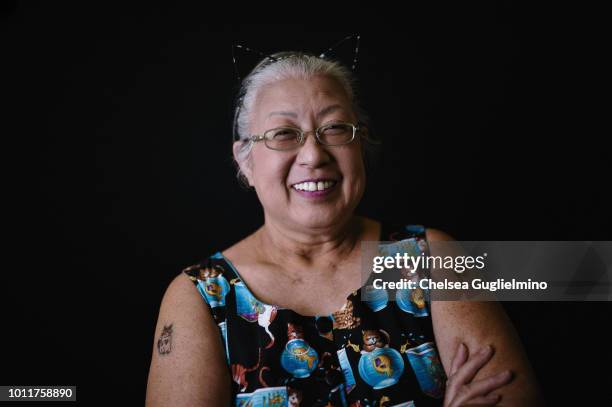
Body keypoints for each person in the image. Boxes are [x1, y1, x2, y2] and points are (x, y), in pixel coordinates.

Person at [145, 51, 542, 406]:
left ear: (360, 145)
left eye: (335, 129)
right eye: (284, 134)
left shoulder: (434, 258)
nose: (314, 155)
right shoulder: (201, 296)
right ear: (245, 161)